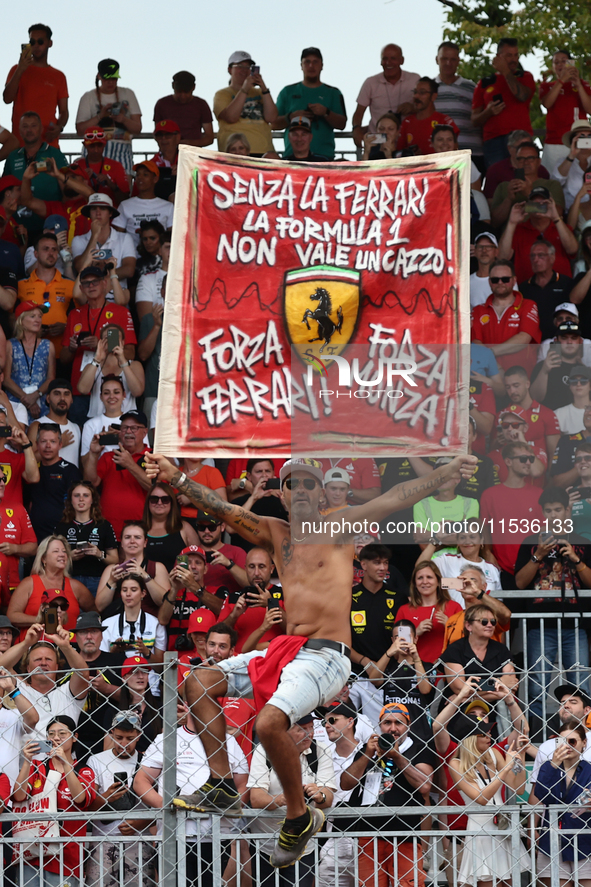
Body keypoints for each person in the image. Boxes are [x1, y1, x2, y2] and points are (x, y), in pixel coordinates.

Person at [144, 450, 476, 866]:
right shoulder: (275, 531)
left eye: (307, 483)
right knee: (198, 680)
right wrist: (178, 479)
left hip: (328, 656)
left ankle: (298, 816)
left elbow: (395, 496)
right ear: (281, 495)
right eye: (291, 484)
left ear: (320, 493)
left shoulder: (339, 524)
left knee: (268, 722)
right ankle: (222, 784)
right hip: (287, 652)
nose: (299, 489)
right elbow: (222, 507)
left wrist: (444, 472)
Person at [135, 713, 248, 887]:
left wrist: (225, 806)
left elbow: (244, 785)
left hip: (216, 838)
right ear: (186, 703)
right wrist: (166, 806)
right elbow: (140, 781)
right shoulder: (167, 739)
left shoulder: (228, 741)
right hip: (173, 836)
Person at [515, 486, 591, 719]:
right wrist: (538, 555)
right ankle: (537, 738)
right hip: (539, 624)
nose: (553, 515)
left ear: (568, 510)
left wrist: (576, 560)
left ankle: (584, 736)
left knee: (581, 684)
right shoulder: (531, 542)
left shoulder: (581, 542)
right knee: (537, 686)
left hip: (574, 624)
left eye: (558, 510)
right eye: (548, 511)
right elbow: (519, 582)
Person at [341, 701, 434, 887]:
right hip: (368, 833)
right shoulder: (368, 749)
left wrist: (397, 756)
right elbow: (346, 783)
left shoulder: (418, 748)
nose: (393, 729)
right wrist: (368, 753)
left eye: (398, 723)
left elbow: (424, 786)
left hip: (405, 833)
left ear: (408, 725)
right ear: (379, 725)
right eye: (387, 723)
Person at [248, 713, 336, 887]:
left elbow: (328, 796)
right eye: (302, 729)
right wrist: (283, 799)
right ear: (284, 731)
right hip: (265, 843)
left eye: (311, 727)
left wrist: (320, 795)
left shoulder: (320, 750)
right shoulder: (265, 750)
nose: (309, 733)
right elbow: (256, 798)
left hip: (303, 845)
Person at [12, 715, 95, 887]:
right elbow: (19, 797)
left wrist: (66, 764)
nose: (56, 738)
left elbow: (80, 799)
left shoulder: (84, 770)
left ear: (75, 737)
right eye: (51, 734)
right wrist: (27, 761)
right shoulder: (37, 767)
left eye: (62, 733)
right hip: (32, 854)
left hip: (66, 858)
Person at [448, 719, 529, 886]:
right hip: (480, 830)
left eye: (489, 732)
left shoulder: (493, 754)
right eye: (483, 733)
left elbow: (518, 788)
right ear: (469, 739)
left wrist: (520, 757)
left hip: (501, 827)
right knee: (487, 881)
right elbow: (481, 798)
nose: (489, 736)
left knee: (508, 881)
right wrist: (506, 768)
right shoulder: (456, 764)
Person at [86, 709, 155, 887]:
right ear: (111, 734)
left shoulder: (150, 762)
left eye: (130, 738)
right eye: (118, 737)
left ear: (139, 736)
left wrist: (142, 822)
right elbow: (86, 807)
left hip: (139, 841)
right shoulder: (96, 761)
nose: (124, 743)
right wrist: (105, 798)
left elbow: (160, 802)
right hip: (103, 841)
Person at [0, 623, 90, 736]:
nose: (43, 663)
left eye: (48, 659)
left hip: (63, 753)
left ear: (57, 666)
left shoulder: (67, 691)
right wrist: (26, 643)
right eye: (38, 659)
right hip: (26, 753)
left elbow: (83, 672)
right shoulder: (18, 688)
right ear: (28, 667)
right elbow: (1, 667)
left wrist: (65, 646)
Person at [479, 442, 545, 585]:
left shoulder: (540, 495)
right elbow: (484, 530)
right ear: (508, 461)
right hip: (501, 569)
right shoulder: (489, 495)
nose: (528, 463)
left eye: (530, 459)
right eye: (523, 459)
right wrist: (487, 555)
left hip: (535, 567)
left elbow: (544, 531)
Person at [535, 719, 591, 881]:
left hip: (583, 840)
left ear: (584, 743)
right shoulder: (549, 767)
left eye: (572, 741)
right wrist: (554, 764)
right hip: (551, 841)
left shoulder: (589, 770)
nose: (567, 745)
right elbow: (541, 794)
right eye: (561, 741)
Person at [7, 535, 96, 636]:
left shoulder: (76, 587)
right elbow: (11, 616)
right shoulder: (29, 583)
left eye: (64, 551)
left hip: (68, 647)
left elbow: (95, 613)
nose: (62, 554)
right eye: (56, 551)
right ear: (43, 558)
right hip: (34, 647)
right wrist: (40, 619)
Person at [84, 411, 152, 539]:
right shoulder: (108, 456)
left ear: (145, 432)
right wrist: (93, 454)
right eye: (124, 428)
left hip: (139, 532)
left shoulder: (153, 457)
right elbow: (90, 484)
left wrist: (130, 464)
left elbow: (153, 488)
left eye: (134, 428)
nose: (128, 432)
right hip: (108, 529)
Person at [471, 38, 535, 169]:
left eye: (516, 55)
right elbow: (474, 120)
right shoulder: (484, 83)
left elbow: (522, 96)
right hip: (494, 141)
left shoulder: (525, 77)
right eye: (509, 55)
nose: (513, 59)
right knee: (498, 181)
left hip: (521, 138)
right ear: (498, 57)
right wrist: (488, 112)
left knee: (524, 176)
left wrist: (505, 72)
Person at [366, 619, 435, 741]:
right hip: (393, 731)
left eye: (407, 637)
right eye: (398, 638)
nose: (402, 641)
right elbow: (374, 679)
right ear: (393, 641)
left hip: (420, 730)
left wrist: (416, 658)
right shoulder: (388, 666)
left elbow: (425, 690)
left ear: (415, 639)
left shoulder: (426, 666)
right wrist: (389, 652)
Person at [471, 259, 542, 373]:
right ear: (489, 282)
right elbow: (476, 342)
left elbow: (524, 338)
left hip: (522, 380)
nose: (500, 283)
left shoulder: (528, 305)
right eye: (495, 280)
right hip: (490, 378)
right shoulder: (478, 310)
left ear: (514, 280)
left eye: (505, 279)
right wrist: (496, 370)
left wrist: (489, 354)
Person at [275, 48, 346, 160]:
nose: (311, 66)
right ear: (301, 65)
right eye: (307, 62)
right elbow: (274, 124)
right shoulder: (287, 92)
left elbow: (342, 124)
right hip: (292, 158)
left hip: (324, 158)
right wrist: (291, 117)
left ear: (322, 65)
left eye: (315, 62)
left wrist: (325, 112)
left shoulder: (333, 93)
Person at [3, 25, 68, 147]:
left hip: (48, 144)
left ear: (50, 43)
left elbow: (64, 111)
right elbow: (7, 99)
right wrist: (20, 69)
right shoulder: (16, 70)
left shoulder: (59, 76)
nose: (36, 45)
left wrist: (59, 127)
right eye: (32, 42)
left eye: (41, 41)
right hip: (20, 145)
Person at [75, 59, 142, 176]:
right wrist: (100, 116)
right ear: (99, 76)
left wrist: (123, 119)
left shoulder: (128, 93)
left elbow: (138, 128)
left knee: (122, 191)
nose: (110, 82)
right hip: (94, 150)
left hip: (122, 151)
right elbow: (80, 130)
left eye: (114, 79)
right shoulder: (88, 97)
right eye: (107, 78)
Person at [72, 611, 124, 759]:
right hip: (70, 735)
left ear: (101, 635)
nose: (89, 637)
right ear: (76, 637)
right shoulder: (66, 661)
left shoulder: (116, 660)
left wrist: (106, 688)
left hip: (108, 736)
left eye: (94, 631)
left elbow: (133, 697)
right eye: (83, 632)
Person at [440, 603, 517, 703]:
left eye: (493, 622)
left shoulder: (501, 649)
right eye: (484, 621)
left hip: (491, 710)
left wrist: (468, 698)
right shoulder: (455, 649)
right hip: (458, 710)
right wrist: (499, 682)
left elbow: (511, 688)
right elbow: (459, 689)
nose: (490, 625)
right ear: (468, 626)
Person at [499, 189, 579, 283]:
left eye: (543, 203)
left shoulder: (562, 228)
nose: (538, 206)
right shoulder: (518, 230)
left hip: (561, 289)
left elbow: (572, 249)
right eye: (534, 203)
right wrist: (512, 223)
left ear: (551, 205)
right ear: (528, 206)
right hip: (527, 290)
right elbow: (502, 257)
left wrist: (556, 217)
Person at [350, 542, 408, 668]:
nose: (383, 568)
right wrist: (365, 662)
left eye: (385, 562)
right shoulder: (349, 597)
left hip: (391, 671)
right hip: (357, 673)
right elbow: (341, 640)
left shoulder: (398, 598)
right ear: (363, 565)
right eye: (377, 562)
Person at [55, 481, 118, 596]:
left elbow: (115, 559)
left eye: (86, 495)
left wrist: (99, 554)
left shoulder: (104, 525)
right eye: (77, 495)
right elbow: (51, 559)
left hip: (97, 579)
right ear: (70, 500)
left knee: (95, 613)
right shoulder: (62, 526)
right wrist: (69, 557)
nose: (81, 499)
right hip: (69, 578)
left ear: (92, 500)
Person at [159, 545, 226, 652]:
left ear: (205, 569)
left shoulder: (218, 591)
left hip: (208, 657)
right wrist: (174, 589)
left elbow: (222, 610)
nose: (193, 566)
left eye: (198, 563)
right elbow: (162, 620)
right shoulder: (173, 593)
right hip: (176, 659)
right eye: (188, 563)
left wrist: (192, 585)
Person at [16, 231, 74, 354]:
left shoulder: (70, 284)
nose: (51, 253)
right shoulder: (21, 284)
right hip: (28, 352)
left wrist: (65, 327)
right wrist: (30, 329)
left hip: (61, 353)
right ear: (36, 254)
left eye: (54, 249)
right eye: (46, 249)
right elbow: (12, 318)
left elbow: (80, 316)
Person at [96, 520, 170, 616]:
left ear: (145, 542)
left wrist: (145, 576)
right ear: (121, 543)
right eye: (127, 537)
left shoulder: (157, 567)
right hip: (118, 624)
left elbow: (164, 602)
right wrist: (112, 581)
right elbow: (100, 607)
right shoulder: (111, 569)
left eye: (137, 537)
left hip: (150, 624)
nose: (132, 541)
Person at [218, 547, 284, 653]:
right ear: (245, 569)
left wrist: (271, 603)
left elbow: (294, 630)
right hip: (239, 664)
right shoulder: (233, 598)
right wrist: (233, 616)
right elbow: (217, 636)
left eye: (261, 567)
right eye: (251, 567)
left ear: (272, 569)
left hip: (274, 658)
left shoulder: (284, 594)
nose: (256, 573)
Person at [352, 44, 419, 145]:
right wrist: (356, 129)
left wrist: (413, 108)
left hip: (406, 139)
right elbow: (358, 113)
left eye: (393, 58)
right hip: (378, 140)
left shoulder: (414, 79)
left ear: (402, 60)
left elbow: (426, 107)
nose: (388, 62)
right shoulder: (371, 82)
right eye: (385, 59)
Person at [396, 561, 462, 662]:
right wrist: (416, 632)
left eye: (429, 577)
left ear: (438, 581)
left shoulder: (454, 607)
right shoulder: (404, 610)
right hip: (414, 670)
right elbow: (397, 651)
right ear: (414, 583)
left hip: (447, 671)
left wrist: (449, 626)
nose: (425, 581)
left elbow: (465, 642)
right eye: (420, 578)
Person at [213, 51, 277, 155]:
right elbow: (231, 117)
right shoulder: (222, 94)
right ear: (230, 70)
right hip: (235, 152)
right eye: (239, 66)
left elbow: (272, 118)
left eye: (248, 67)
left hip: (264, 152)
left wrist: (264, 89)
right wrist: (244, 90)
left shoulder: (260, 93)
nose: (244, 70)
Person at [490, 141, 565, 229]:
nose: (525, 162)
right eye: (521, 159)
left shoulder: (551, 184)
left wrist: (529, 194)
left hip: (542, 236)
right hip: (512, 237)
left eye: (530, 158)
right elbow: (495, 222)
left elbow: (557, 214)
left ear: (539, 161)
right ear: (515, 162)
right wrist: (509, 199)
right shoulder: (504, 187)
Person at [76, 323, 144, 419]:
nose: (111, 340)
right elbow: (83, 389)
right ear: (101, 341)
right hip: (97, 421)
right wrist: (97, 359)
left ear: (123, 342)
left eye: (115, 337)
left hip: (126, 422)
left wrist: (123, 360)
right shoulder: (92, 366)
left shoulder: (134, 365)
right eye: (107, 337)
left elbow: (137, 392)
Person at [25, 423, 80, 542]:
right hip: (35, 536)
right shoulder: (32, 471)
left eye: (53, 442)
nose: (48, 446)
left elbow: (77, 505)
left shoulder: (70, 470)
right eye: (44, 441)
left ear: (60, 444)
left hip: (63, 536)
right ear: (37, 444)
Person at [100, 575, 166, 671]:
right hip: (117, 683)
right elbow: (101, 664)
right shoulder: (107, 624)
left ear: (143, 593)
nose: (128, 594)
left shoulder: (156, 623)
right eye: (124, 590)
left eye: (134, 590)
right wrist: (114, 652)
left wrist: (146, 652)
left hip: (150, 683)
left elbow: (161, 667)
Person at [4, 300, 55, 423]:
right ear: (21, 321)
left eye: (39, 316)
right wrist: (28, 400)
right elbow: (6, 379)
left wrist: (35, 396)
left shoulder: (48, 345)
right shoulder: (10, 344)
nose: (37, 320)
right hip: (15, 404)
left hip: (41, 403)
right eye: (32, 316)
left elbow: (51, 379)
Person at [71, 194, 136, 289]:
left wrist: (98, 279)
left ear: (110, 213)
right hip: (89, 299)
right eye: (93, 209)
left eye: (102, 208)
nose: (98, 213)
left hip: (116, 298)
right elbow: (79, 268)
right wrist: (94, 236)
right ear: (89, 213)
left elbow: (129, 270)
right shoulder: (78, 240)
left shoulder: (125, 238)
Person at [540, 52, 591, 172]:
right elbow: (547, 103)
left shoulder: (583, 84)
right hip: (554, 142)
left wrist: (578, 85)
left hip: (579, 140)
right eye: (556, 62)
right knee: (554, 180)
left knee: (582, 178)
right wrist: (562, 80)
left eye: (564, 61)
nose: (560, 65)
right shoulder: (547, 86)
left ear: (570, 63)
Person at [3, 113, 68, 205]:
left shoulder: (55, 154)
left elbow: (67, 189)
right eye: (25, 126)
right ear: (20, 131)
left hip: (49, 216)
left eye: (33, 126)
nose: (29, 130)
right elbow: (4, 189)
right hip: (16, 217)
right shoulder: (12, 156)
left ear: (41, 129)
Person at [440, 567, 511, 651]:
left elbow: (506, 614)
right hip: (458, 663)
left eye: (473, 580)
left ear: (484, 586)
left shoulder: (491, 614)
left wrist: (477, 592)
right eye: (463, 581)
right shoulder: (452, 620)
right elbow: (446, 653)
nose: (468, 583)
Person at [434, 41, 483, 163]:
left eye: (453, 59)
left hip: (472, 153)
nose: (448, 63)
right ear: (437, 60)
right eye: (444, 58)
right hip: (439, 155)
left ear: (458, 61)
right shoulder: (428, 89)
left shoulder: (471, 87)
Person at [413, 458, 479, 545]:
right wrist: (455, 533)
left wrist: (435, 536)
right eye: (438, 475)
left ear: (457, 479)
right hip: (433, 558)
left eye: (446, 474)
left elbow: (470, 539)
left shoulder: (471, 503)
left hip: (462, 557)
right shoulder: (421, 504)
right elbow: (419, 538)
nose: (441, 478)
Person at [501, 364, 561, 461]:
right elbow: (493, 450)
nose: (512, 391)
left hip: (538, 470)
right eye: (508, 387)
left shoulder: (547, 414)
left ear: (527, 384)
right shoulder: (502, 415)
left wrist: (550, 476)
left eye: (516, 386)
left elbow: (554, 454)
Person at [518, 239, 576, 338]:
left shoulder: (567, 283)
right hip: (532, 343)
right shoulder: (523, 288)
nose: (535, 260)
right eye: (532, 256)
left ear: (552, 258)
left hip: (561, 341)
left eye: (541, 255)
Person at [531, 315, 591, 409]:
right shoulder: (543, 366)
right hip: (550, 421)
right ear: (556, 341)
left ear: (580, 342)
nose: (569, 342)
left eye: (574, 338)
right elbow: (535, 398)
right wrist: (544, 371)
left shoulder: (585, 371)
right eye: (564, 338)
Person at [114, 161, 174, 250]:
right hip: (132, 259)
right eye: (137, 175)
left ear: (155, 179)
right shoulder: (125, 205)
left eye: (145, 175)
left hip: (160, 260)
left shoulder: (168, 207)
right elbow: (117, 238)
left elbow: (172, 238)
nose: (140, 178)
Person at [107, 657, 162, 754]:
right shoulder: (113, 711)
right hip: (124, 762)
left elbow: (166, 744)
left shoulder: (160, 708)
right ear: (124, 678)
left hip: (152, 763)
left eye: (144, 672)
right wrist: (122, 723)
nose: (141, 676)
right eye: (135, 672)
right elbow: (107, 751)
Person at [0, 470, 36, 606]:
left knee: (8, 626)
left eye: (3, 479)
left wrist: (15, 548)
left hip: (12, 585)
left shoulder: (17, 508)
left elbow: (33, 547)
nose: (3, 484)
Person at [143, 483, 199, 571]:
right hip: (144, 583)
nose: (159, 503)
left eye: (165, 499)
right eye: (154, 499)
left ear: (172, 502)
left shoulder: (184, 528)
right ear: (148, 502)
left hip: (177, 583)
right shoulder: (138, 530)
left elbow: (198, 561)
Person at [424, 530, 502, 592]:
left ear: (481, 540)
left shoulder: (492, 568)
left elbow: (498, 600)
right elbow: (421, 567)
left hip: (482, 612)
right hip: (453, 612)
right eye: (462, 538)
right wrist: (436, 539)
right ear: (458, 542)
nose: (467, 541)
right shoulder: (447, 560)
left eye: (472, 537)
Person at [397, 78, 459, 156]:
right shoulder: (407, 122)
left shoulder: (444, 121)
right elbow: (399, 153)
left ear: (433, 96)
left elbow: (455, 150)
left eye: (422, 92)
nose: (416, 96)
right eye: (415, 92)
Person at [80, 374, 129, 470]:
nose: (111, 396)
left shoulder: (133, 422)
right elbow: (85, 464)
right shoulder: (90, 425)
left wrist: (122, 438)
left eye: (116, 392)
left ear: (124, 395)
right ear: (101, 397)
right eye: (106, 393)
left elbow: (143, 455)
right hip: (100, 475)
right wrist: (100, 441)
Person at [154, 71, 214, 147]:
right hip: (168, 154)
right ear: (172, 86)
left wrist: (189, 143)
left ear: (194, 87)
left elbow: (209, 137)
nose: (183, 96)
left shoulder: (201, 105)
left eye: (186, 92)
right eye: (179, 92)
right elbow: (157, 133)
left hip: (193, 154)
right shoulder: (162, 104)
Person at [27, 379, 80, 466]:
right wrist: (57, 444)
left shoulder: (77, 428)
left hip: (72, 479)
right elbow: (29, 460)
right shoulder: (37, 425)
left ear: (71, 399)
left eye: (66, 394)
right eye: (57, 394)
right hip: (46, 479)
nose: (62, 398)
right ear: (48, 398)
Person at [71, 127, 129, 206]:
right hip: (81, 213)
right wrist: (82, 182)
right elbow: (67, 198)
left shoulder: (116, 166)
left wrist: (110, 184)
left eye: (99, 145)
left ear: (105, 144)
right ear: (84, 145)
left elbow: (126, 200)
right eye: (92, 146)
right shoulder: (77, 165)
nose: (96, 150)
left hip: (110, 214)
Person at [194, 510, 247, 594]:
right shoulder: (188, 553)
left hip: (231, 605)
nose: (207, 531)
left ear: (222, 527)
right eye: (201, 527)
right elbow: (178, 588)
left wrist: (229, 564)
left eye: (212, 527)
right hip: (195, 605)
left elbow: (249, 584)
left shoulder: (237, 552)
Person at [0, 411, 39, 507]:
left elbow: (33, 478)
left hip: (11, 517)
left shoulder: (17, 458)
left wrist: (26, 444)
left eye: (0, 422)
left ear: (7, 428)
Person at [552, 118, 591, 212]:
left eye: (589, 136)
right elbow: (556, 182)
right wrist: (572, 156)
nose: (586, 140)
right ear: (573, 140)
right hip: (572, 212)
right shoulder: (563, 161)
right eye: (581, 137)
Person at [136, 235, 168, 321]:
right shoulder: (147, 279)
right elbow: (146, 321)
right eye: (168, 247)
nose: (172, 251)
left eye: (176, 247)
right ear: (160, 251)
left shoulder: (191, 278)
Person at [470, 232, 498, 308]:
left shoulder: (505, 279)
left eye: (488, 247)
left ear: (496, 252)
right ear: (475, 251)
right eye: (480, 247)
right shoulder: (467, 282)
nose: (484, 250)